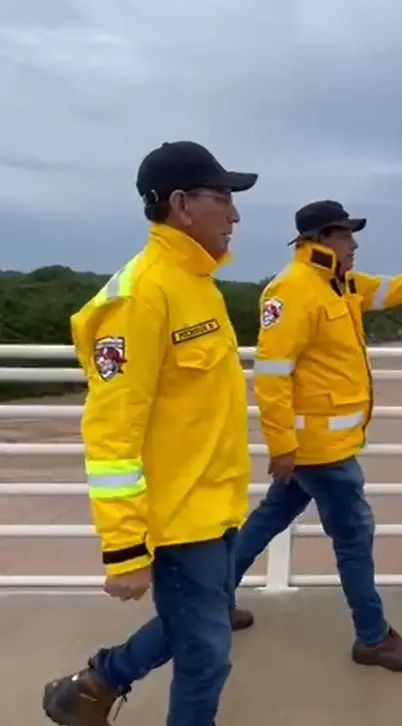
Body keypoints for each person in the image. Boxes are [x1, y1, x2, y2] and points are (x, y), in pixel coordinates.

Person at [40, 141, 258, 726]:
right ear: (183, 205)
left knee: (196, 623)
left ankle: (93, 685)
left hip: (216, 507)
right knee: (206, 657)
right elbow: (111, 430)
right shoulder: (140, 296)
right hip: (176, 519)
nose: (235, 215)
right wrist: (126, 547)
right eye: (225, 199)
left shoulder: (197, 283)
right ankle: (96, 686)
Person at [227, 200, 402, 671]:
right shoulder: (291, 292)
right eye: (347, 235)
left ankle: (212, 601)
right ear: (321, 239)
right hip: (318, 451)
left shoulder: (339, 285)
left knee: (270, 517)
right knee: (353, 537)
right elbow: (270, 375)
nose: (355, 244)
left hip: (323, 446)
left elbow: (392, 289)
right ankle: (372, 636)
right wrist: (282, 444)